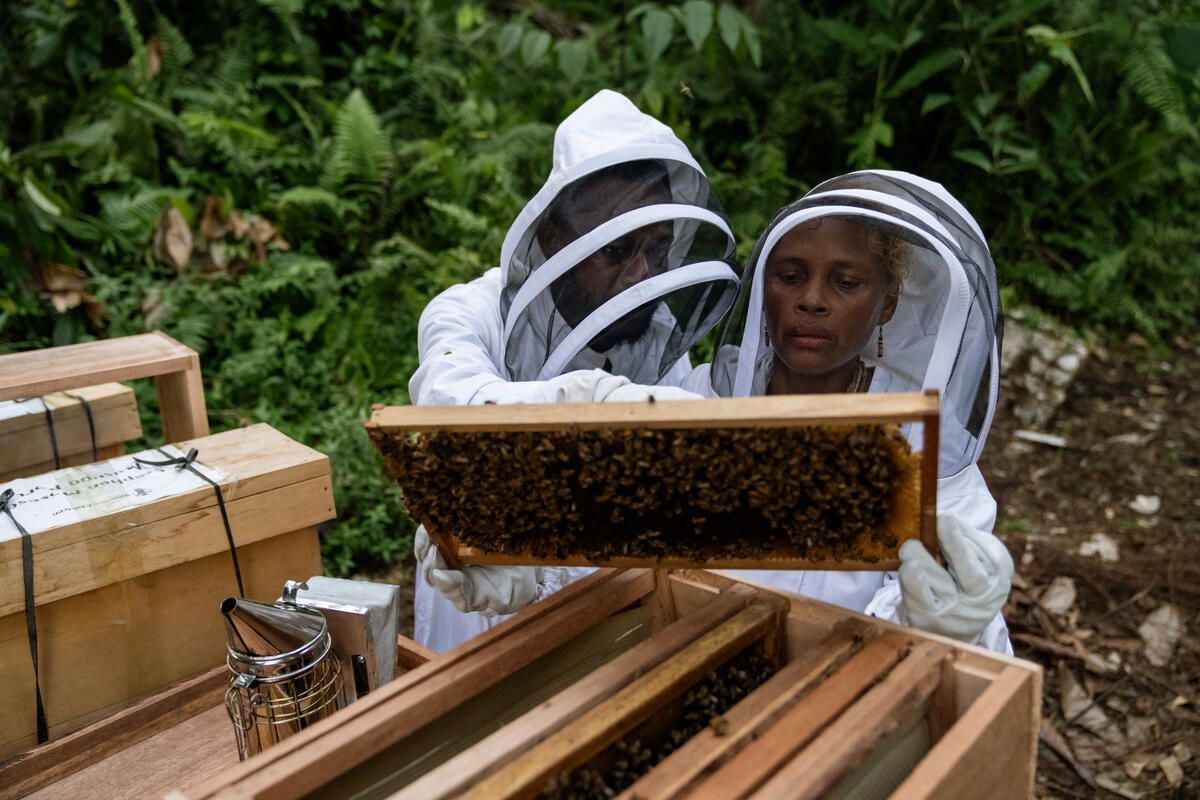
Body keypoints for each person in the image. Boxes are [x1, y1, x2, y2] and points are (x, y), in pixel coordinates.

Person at [409, 89, 739, 652]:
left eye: (656, 252)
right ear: (553, 239)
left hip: (596, 614)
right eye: (617, 250)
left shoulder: (655, 337)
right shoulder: (470, 312)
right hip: (478, 612)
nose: (641, 275)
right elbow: (453, 402)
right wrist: (588, 402)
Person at [687, 169, 1012, 651]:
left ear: (886, 304)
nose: (811, 301)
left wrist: (930, 612)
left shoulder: (921, 443)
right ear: (763, 289)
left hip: (850, 688)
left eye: (846, 282)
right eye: (791, 277)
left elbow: (949, 611)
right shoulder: (699, 399)